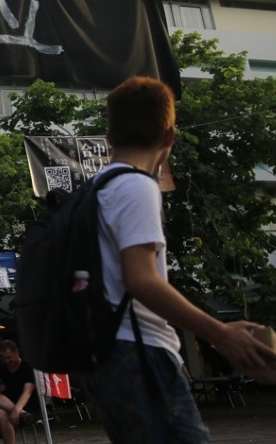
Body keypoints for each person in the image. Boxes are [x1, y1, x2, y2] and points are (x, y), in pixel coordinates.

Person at [78, 76, 276, 442]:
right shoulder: (137, 186)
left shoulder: (96, 188)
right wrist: (219, 333)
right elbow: (141, 280)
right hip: (139, 350)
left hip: (105, 354)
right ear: (169, 136)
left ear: (109, 137)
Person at [0, 340, 35, 444]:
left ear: (17, 352)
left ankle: (20, 413)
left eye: (9, 357)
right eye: (4, 358)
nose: (7, 361)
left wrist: (17, 410)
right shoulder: (1, 369)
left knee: (0, 412)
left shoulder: (27, 367)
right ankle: (22, 414)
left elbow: (28, 391)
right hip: (6, 403)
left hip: (26, 405)